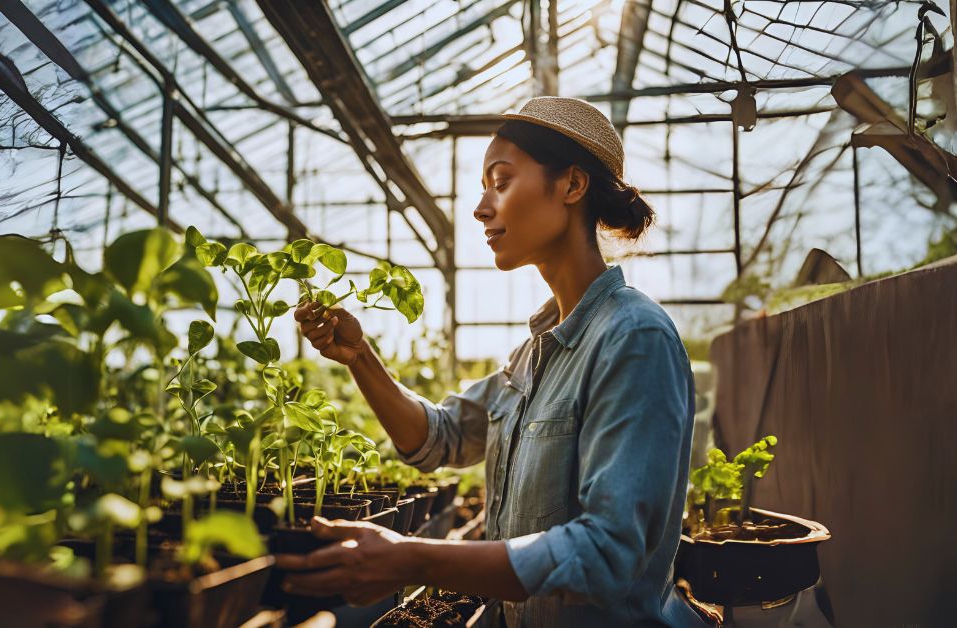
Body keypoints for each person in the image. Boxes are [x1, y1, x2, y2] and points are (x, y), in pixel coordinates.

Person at [281, 96, 710, 627]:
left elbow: (608, 554)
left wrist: (411, 557)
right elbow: (438, 438)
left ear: (573, 186)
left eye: (501, 181)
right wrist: (359, 356)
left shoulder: (633, 338)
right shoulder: (532, 355)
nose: (482, 207)